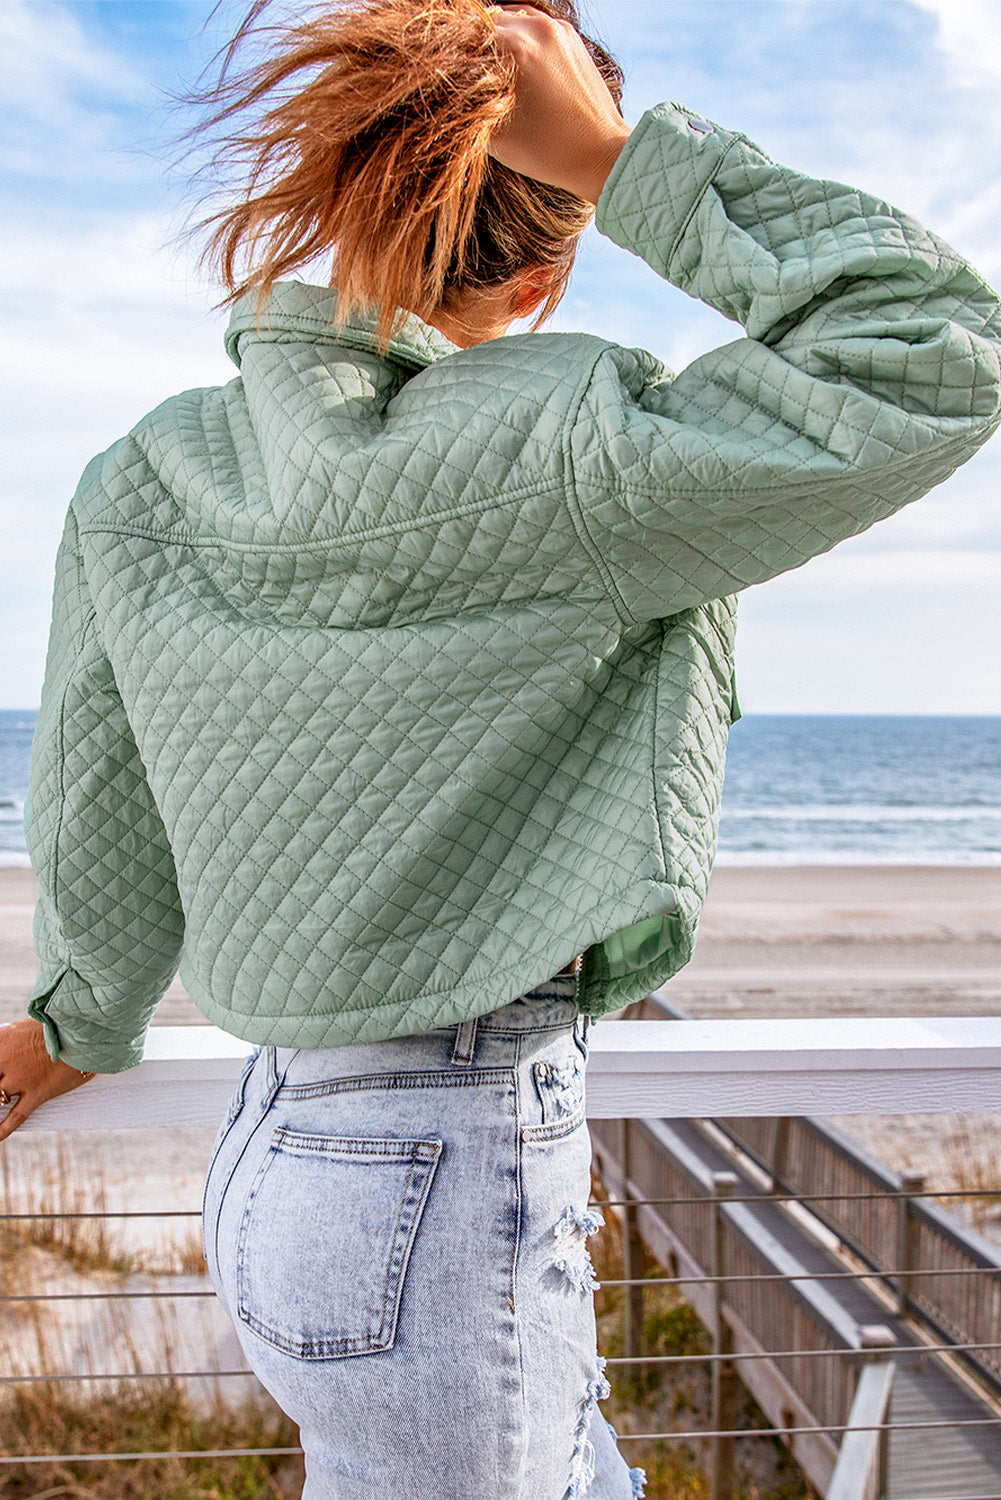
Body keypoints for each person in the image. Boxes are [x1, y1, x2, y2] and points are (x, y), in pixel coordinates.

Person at [1, 1, 999, 1495]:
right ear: (548, 266)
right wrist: (620, 156)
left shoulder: (142, 473)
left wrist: (72, 1021)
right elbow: (933, 350)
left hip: (277, 1155)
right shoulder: (570, 452)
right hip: (450, 1153)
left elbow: (101, 800)